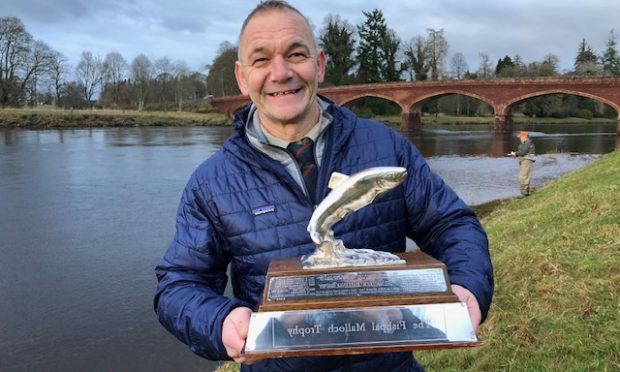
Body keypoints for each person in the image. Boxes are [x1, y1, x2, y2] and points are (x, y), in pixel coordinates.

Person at [154, 1, 494, 371]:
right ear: (241, 76)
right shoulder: (211, 181)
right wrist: (219, 321)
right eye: (261, 59)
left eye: (295, 54)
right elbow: (180, 283)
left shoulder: (388, 147)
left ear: (319, 64)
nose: (280, 73)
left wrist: (466, 284)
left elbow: (451, 224)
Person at [509, 131, 536, 197]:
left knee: (523, 177)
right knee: (523, 177)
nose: (520, 138)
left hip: (527, 161)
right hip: (524, 161)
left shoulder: (527, 142)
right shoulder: (525, 143)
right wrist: (515, 154)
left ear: (525, 137)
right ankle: (525, 193)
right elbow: (522, 152)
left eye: (521, 137)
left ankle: (525, 194)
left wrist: (515, 153)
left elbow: (523, 152)